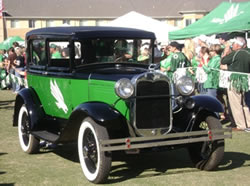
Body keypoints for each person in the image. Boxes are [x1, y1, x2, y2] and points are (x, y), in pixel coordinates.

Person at [221, 36, 250, 130]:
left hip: (235, 80)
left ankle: (241, 125)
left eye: (233, 44)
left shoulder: (236, 53)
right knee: (245, 103)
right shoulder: (248, 52)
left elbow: (223, 60)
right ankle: (248, 123)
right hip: (247, 80)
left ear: (237, 45)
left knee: (236, 103)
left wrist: (226, 50)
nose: (232, 46)